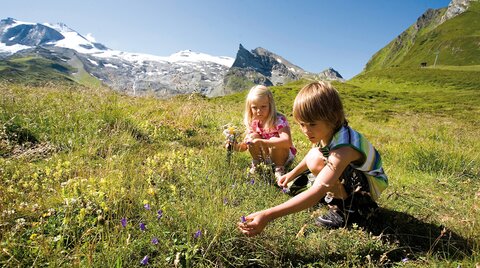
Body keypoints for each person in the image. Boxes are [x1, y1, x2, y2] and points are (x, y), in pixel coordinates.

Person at [238, 81, 388, 235]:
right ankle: (340, 197)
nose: (306, 131)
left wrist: (268, 215)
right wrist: (291, 174)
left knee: (319, 166)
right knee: (315, 156)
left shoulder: (344, 148)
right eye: (302, 124)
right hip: (354, 176)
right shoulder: (328, 131)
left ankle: (349, 211)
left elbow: (317, 190)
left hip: (368, 188)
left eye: (312, 124)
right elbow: (313, 154)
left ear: (332, 117)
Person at [231, 85, 296, 179]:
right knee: (252, 136)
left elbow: (287, 142)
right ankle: (258, 164)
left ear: (271, 105)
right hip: (266, 156)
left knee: (274, 139)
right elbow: (246, 145)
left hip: (282, 156)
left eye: (263, 106)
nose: (259, 111)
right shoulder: (253, 122)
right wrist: (235, 146)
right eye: (254, 107)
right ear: (249, 108)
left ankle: (279, 168)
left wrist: (264, 142)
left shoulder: (278, 120)